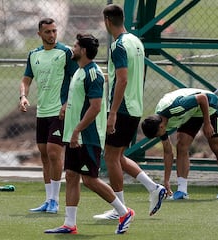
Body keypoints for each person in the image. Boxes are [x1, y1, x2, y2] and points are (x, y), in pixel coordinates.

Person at [44, 34, 134, 235]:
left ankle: (123, 212)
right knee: (72, 176)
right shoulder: (80, 71)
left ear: (83, 50)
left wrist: (77, 130)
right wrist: (67, 108)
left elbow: (95, 107)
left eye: (76, 46)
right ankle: (69, 224)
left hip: (88, 137)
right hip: (75, 137)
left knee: (90, 180)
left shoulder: (93, 74)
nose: (72, 48)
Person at [93, 4, 166, 220]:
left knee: (111, 156)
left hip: (122, 108)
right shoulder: (136, 41)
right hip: (135, 107)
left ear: (107, 20)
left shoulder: (118, 46)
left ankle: (120, 209)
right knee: (119, 156)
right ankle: (153, 188)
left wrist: (112, 113)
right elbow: (126, 75)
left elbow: (123, 79)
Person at [19, 18, 78, 213]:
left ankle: (55, 201)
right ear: (39, 34)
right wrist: (23, 96)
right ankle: (48, 199)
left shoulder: (66, 52)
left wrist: (67, 103)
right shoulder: (33, 54)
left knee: (54, 152)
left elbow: (77, 79)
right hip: (42, 111)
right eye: (48, 32)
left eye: (54, 31)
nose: (52, 35)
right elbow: (26, 79)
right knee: (44, 154)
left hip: (59, 111)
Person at [141, 88, 218, 200]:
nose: (160, 136)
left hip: (209, 105)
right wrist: (166, 180)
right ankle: (182, 191)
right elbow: (168, 152)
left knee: (216, 146)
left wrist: (207, 122)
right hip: (192, 111)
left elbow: (202, 98)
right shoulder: (158, 122)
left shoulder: (176, 108)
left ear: (161, 127)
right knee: (181, 145)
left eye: (157, 135)